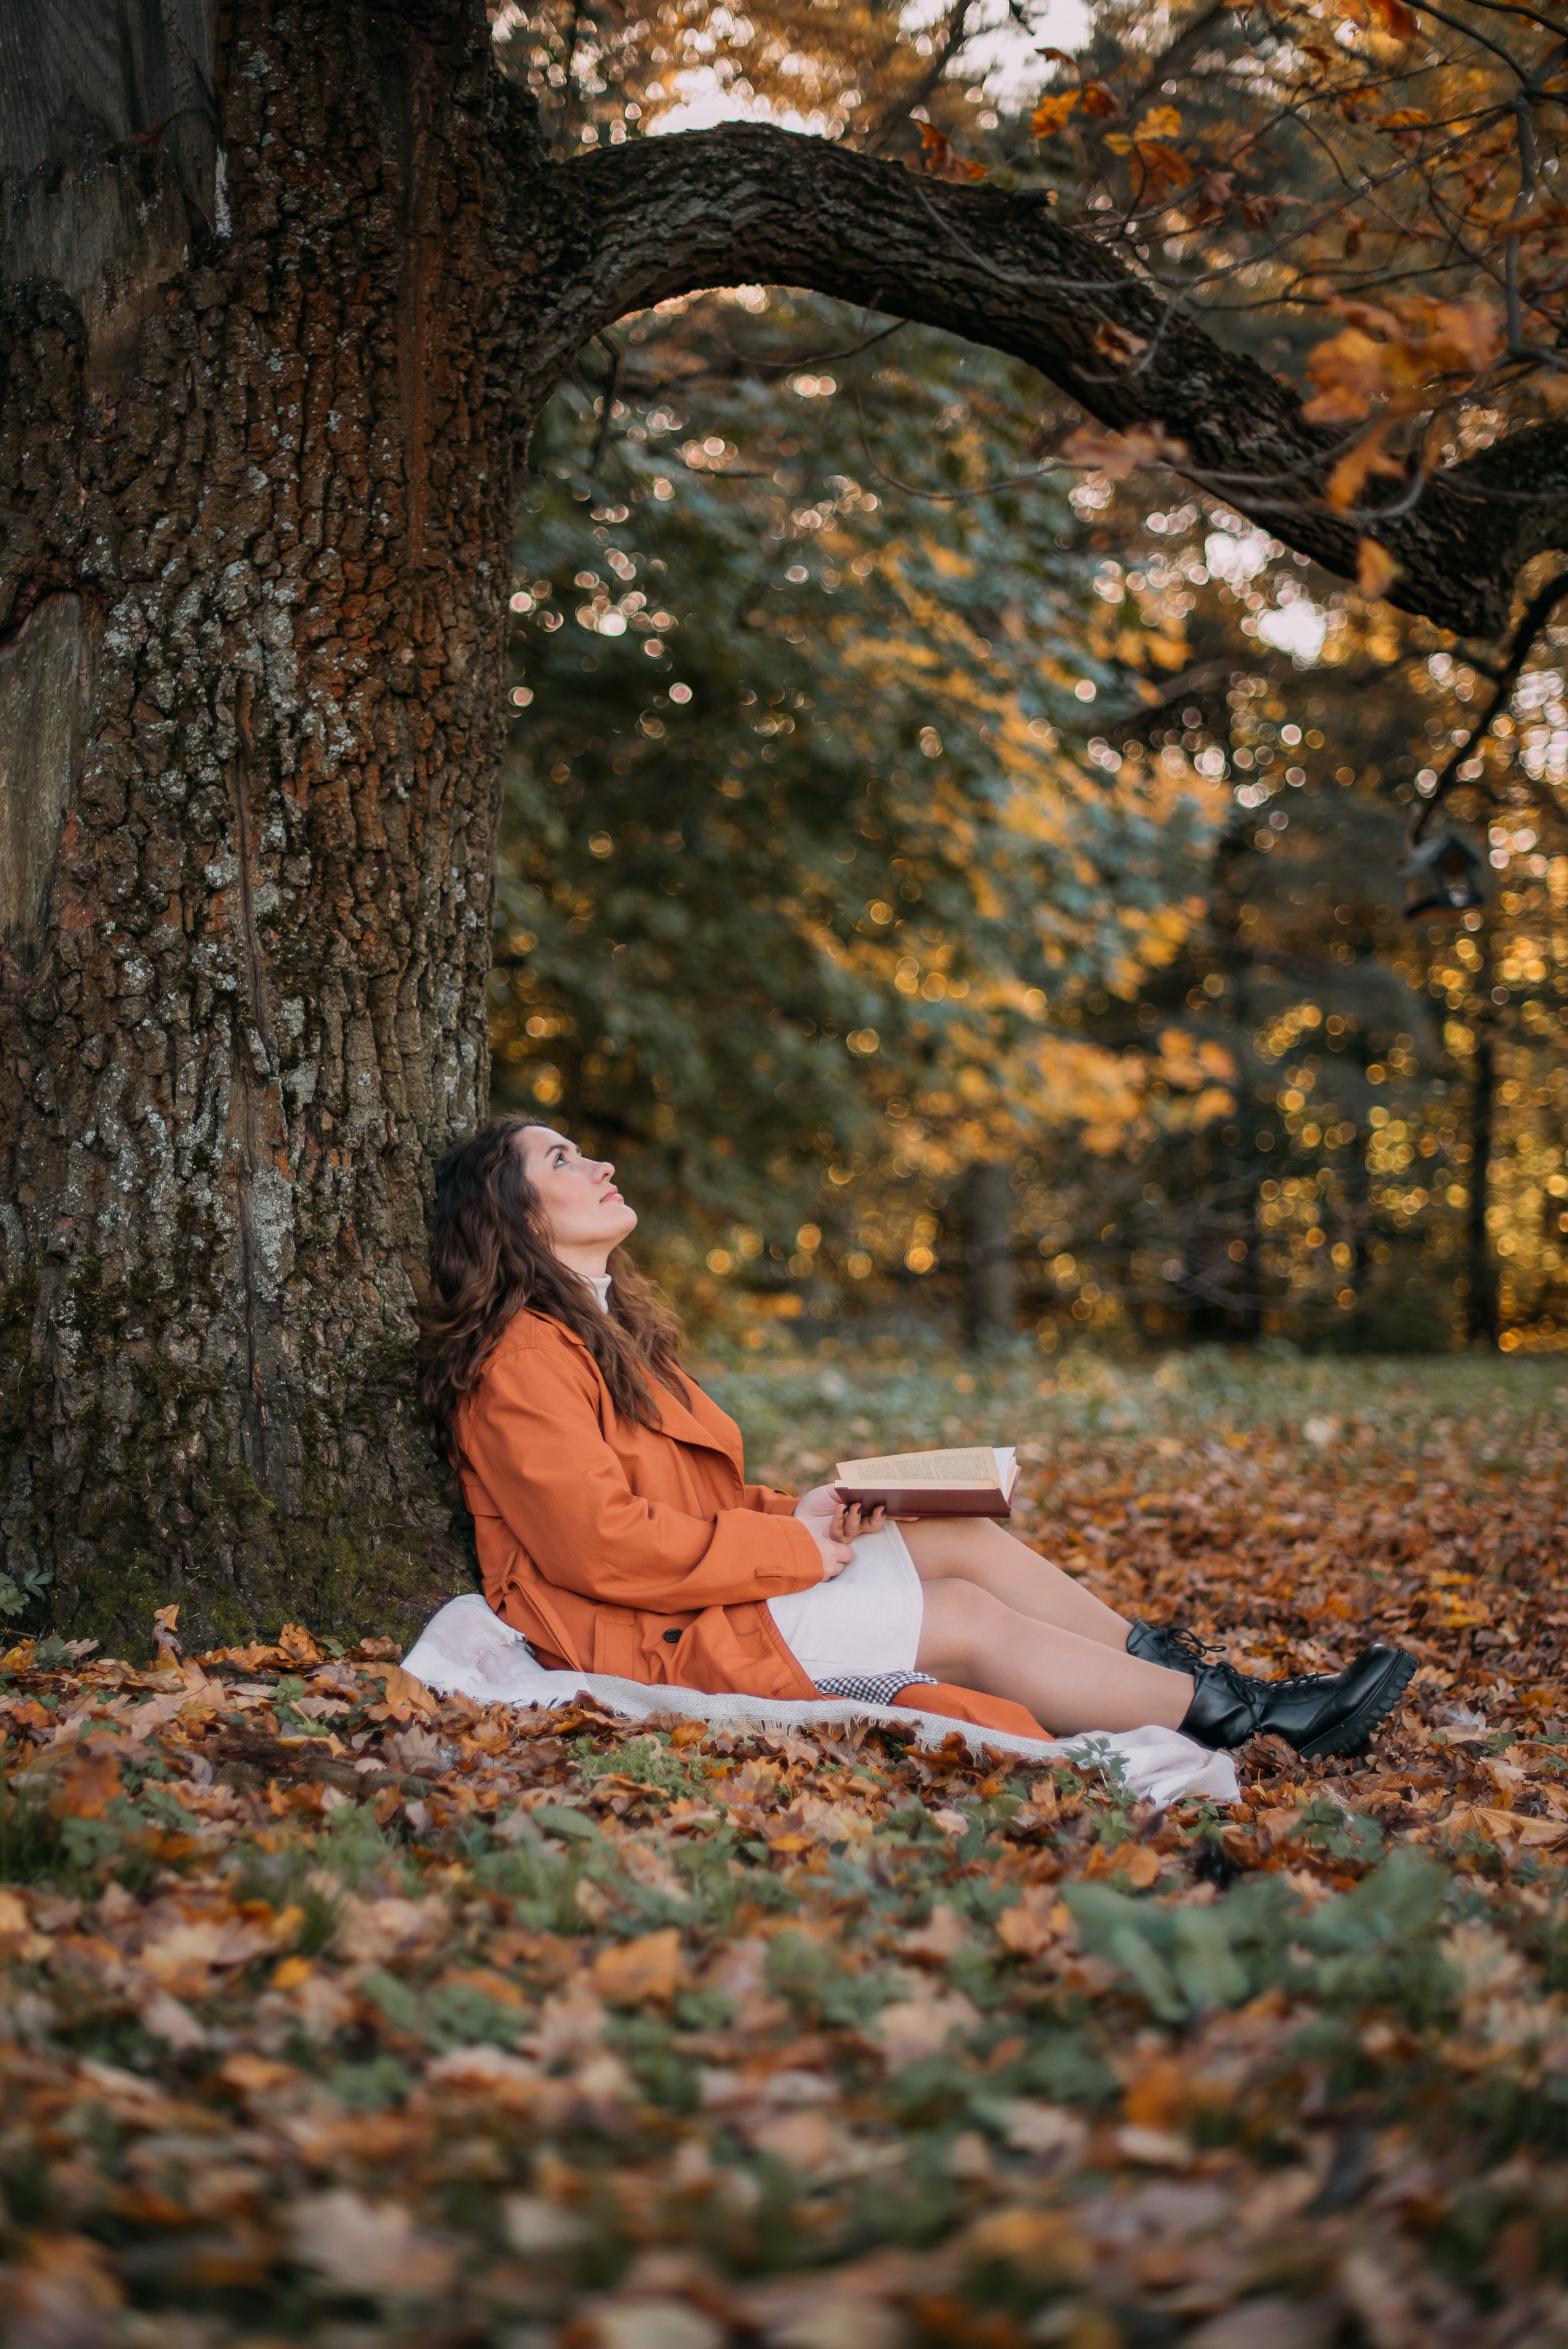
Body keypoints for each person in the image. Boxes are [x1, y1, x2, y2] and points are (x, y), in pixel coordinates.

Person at [418, 1119, 1414, 1757]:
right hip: (645, 1634)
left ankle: (1215, 1683)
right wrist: (792, 1547)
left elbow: (675, 1501)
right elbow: (598, 1543)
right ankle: (1251, 1725)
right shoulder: (521, 1355)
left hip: (688, 1588)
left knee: (956, 1537)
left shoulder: (601, 1327)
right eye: (560, 1159)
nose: (597, 1163)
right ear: (511, 1214)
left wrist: (806, 1512)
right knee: (969, 1617)